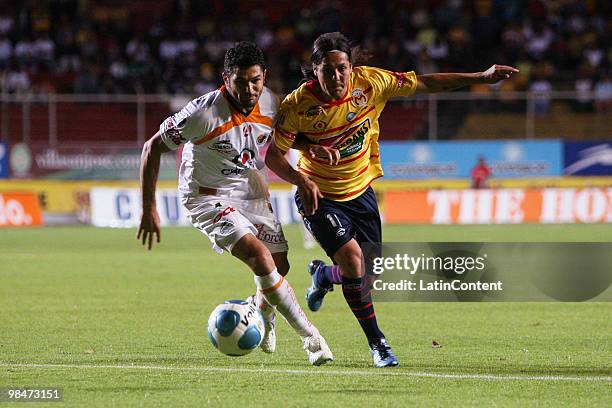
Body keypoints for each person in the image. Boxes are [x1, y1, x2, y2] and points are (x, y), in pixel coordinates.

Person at [265, 32, 518, 368]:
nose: (336, 77)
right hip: (320, 196)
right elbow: (273, 156)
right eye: (328, 70)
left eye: (342, 68)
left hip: (361, 193)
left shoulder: (372, 83)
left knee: (367, 276)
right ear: (315, 70)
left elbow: (427, 83)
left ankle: (325, 276)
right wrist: (302, 178)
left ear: (351, 67)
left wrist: (481, 77)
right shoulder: (297, 105)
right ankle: (378, 344)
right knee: (354, 263)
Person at [137, 41, 333, 366]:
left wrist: (310, 148)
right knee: (260, 257)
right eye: (240, 82)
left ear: (264, 76)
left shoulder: (270, 102)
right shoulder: (203, 113)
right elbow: (151, 148)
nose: (249, 89)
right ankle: (311, 339)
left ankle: (260, 313)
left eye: (255, 80)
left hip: (249, 190)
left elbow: (279, 137)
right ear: (225, 78)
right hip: (206, 197)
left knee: (279, 266)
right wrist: (148, 208)